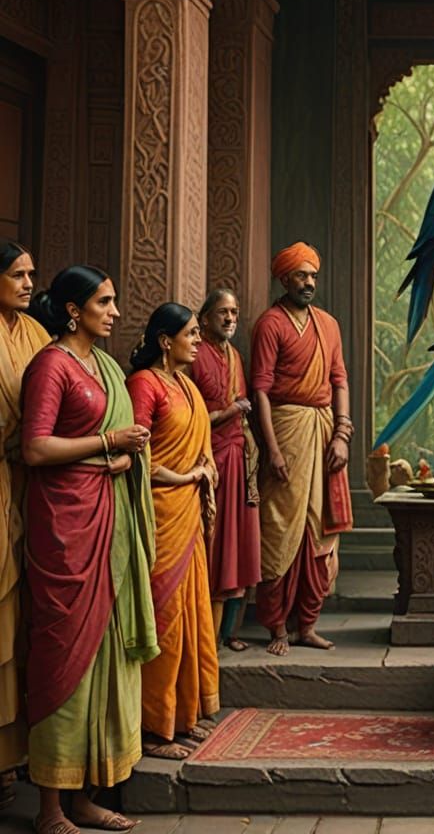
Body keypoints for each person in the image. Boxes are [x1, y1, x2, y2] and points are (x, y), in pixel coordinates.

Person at [22, 265, 157, 834]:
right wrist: (108, 444)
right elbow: (34, 448)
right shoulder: (52, 365)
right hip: (65, 528)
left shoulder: (103, 366)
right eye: (104, 302)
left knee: (105, 654)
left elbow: (124, 442)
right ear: (74, 309)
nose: (116, 312)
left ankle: (86, 797)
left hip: (109, 518)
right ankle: (49, 808)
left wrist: (125, 457)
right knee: (63, 659)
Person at [250, 242, 353, 656]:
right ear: (284, 278)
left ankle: (307, 624)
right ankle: (277, 626)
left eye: (313, 276)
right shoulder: (269, 324)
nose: (309, 283)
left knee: (320, 527)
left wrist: (342, 434)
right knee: (280, 526)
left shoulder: (328, 323)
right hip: (286, 427)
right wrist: (271, 448)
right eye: (301, 276)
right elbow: (259, 390)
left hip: (325, 429)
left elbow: (339, 380)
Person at [127, 304, 220, 760]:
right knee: (163, 619)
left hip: (188, 513)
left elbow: (201, 445)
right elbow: (136, 458)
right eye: (191, 333)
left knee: (192, 614)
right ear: (165, 340)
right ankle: (152, 728)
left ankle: (183, 717)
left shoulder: (186, 384)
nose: (199, 341)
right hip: (162, 513)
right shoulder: (145, 383)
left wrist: (204, 467)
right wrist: (186, 478)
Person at [0, 242, 49, 808]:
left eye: (32, 274)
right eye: (16, 274)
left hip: (31, 488)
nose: (28, 282)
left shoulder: (37, 337)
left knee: (22, 617)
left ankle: (15, 751)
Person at [191, 289, 260, 651]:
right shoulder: (194, 355)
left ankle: (229, 631)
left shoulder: (234, 355)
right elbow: (191, 413)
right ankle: (206, 634)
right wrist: (231, 411)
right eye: (223, 312)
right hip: (209, 459)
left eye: (234, 312)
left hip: (238, 456)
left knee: (240, 542)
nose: (231, 318)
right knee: (215, 542)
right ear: (204, 319)